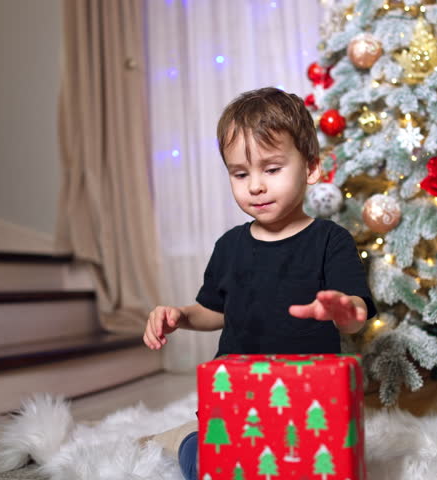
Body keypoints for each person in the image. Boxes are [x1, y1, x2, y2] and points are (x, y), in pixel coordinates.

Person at [142, 87, 377, 480]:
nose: (255, 186)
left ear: (312, 168)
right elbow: (213, 311)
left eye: (271, 169)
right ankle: (189, 442)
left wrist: (344, 309)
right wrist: (181, 315)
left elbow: (355, 315)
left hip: (309, 397)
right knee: (215, 466)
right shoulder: (230, 245)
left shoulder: (330, 240)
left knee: (313, 466)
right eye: (240, 173)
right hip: (236, 393)